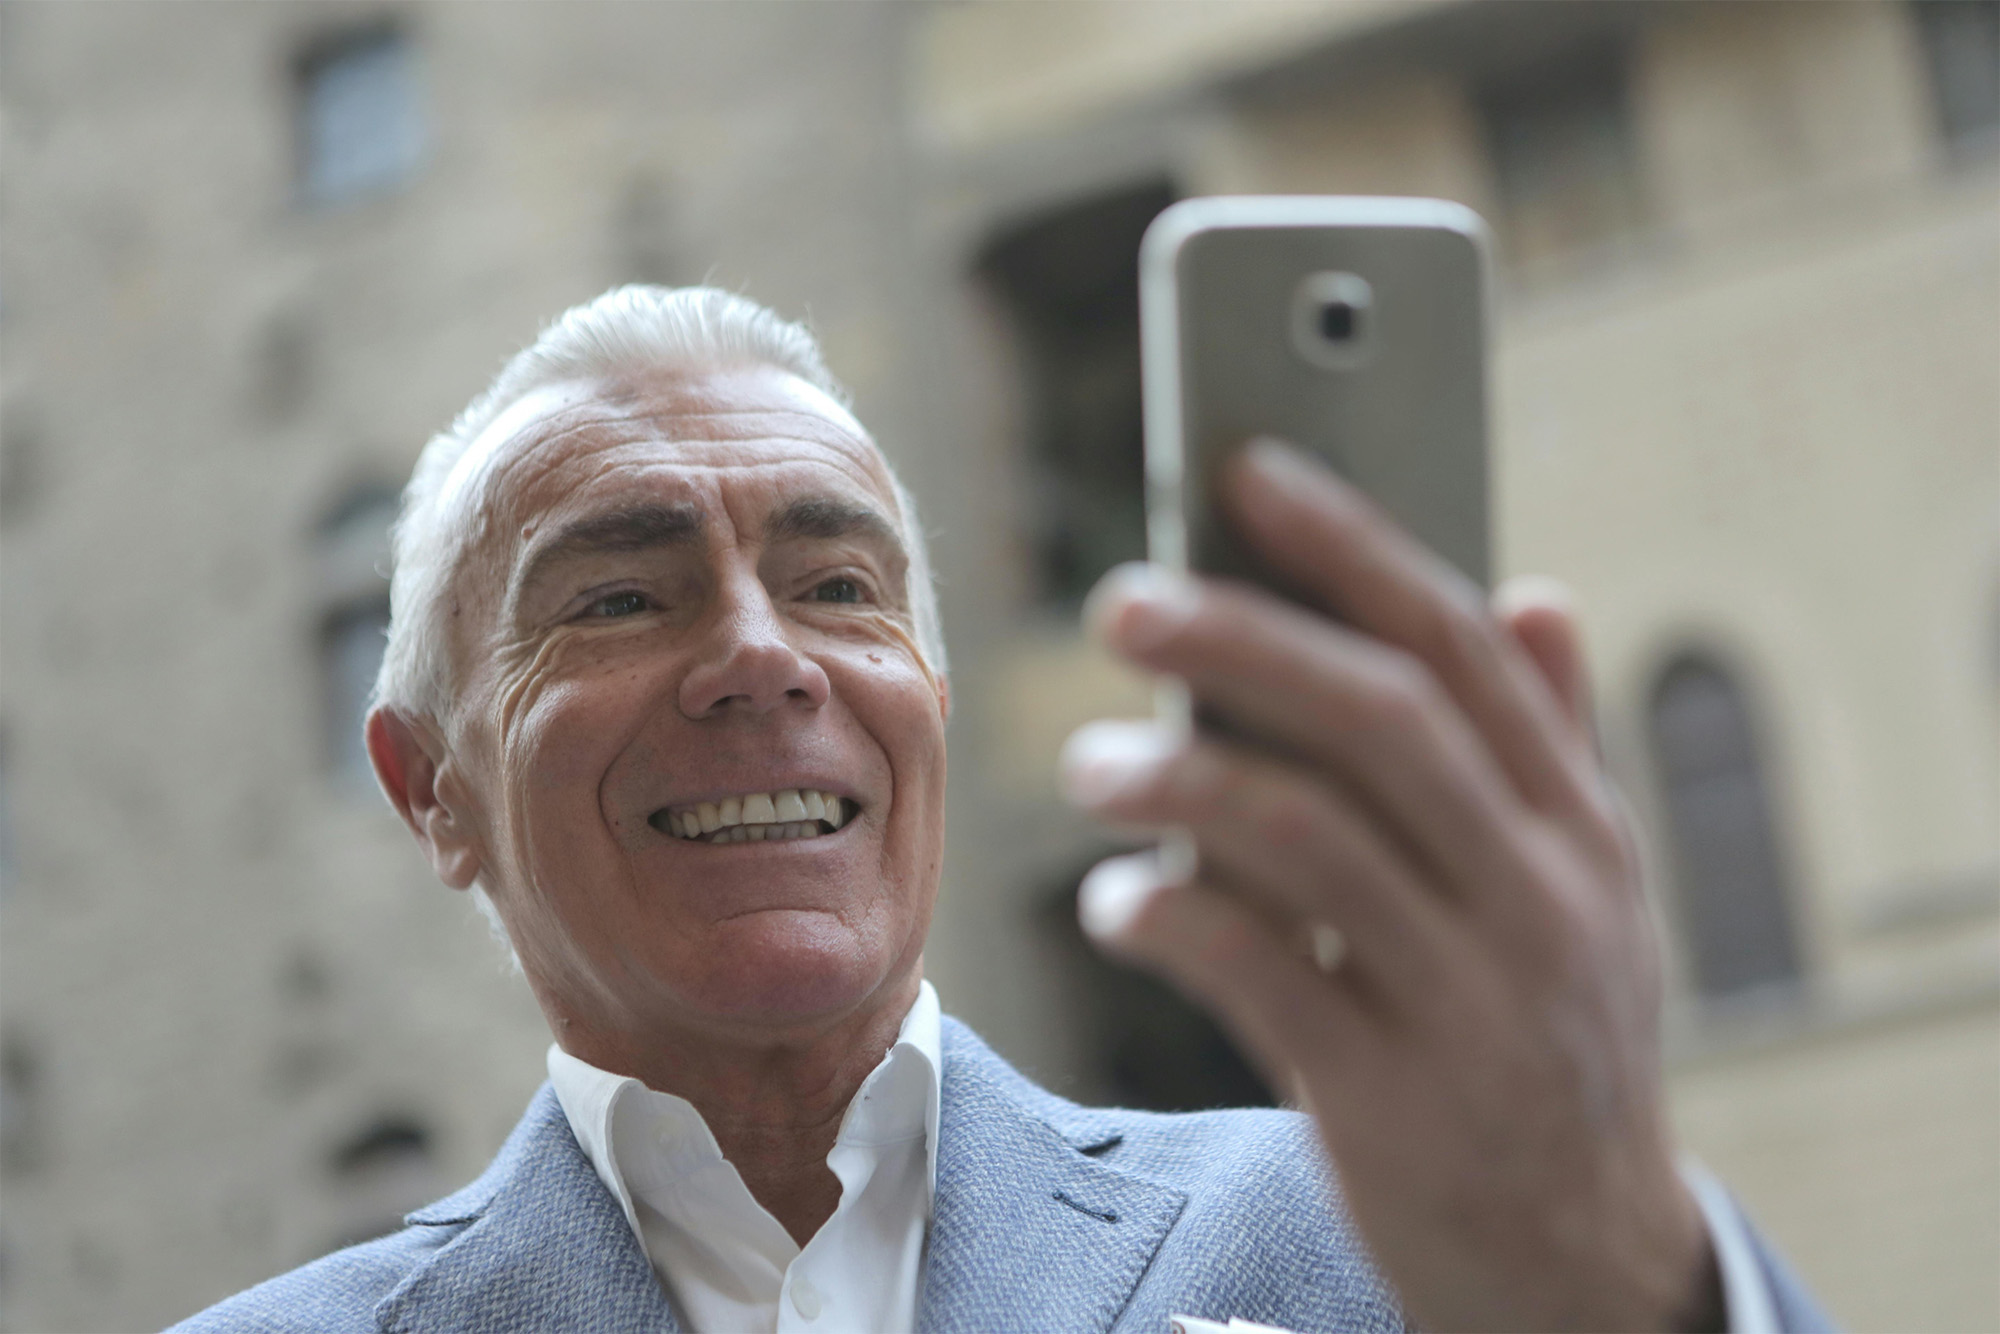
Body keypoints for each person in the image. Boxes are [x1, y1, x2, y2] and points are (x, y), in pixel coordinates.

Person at [173, 285, 1827, 1333]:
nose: (762, 655)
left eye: (838, 585)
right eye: (617, 600)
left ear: (931, 713)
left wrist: (1625, 1283)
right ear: (432, 789)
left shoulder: (1407, 1239)